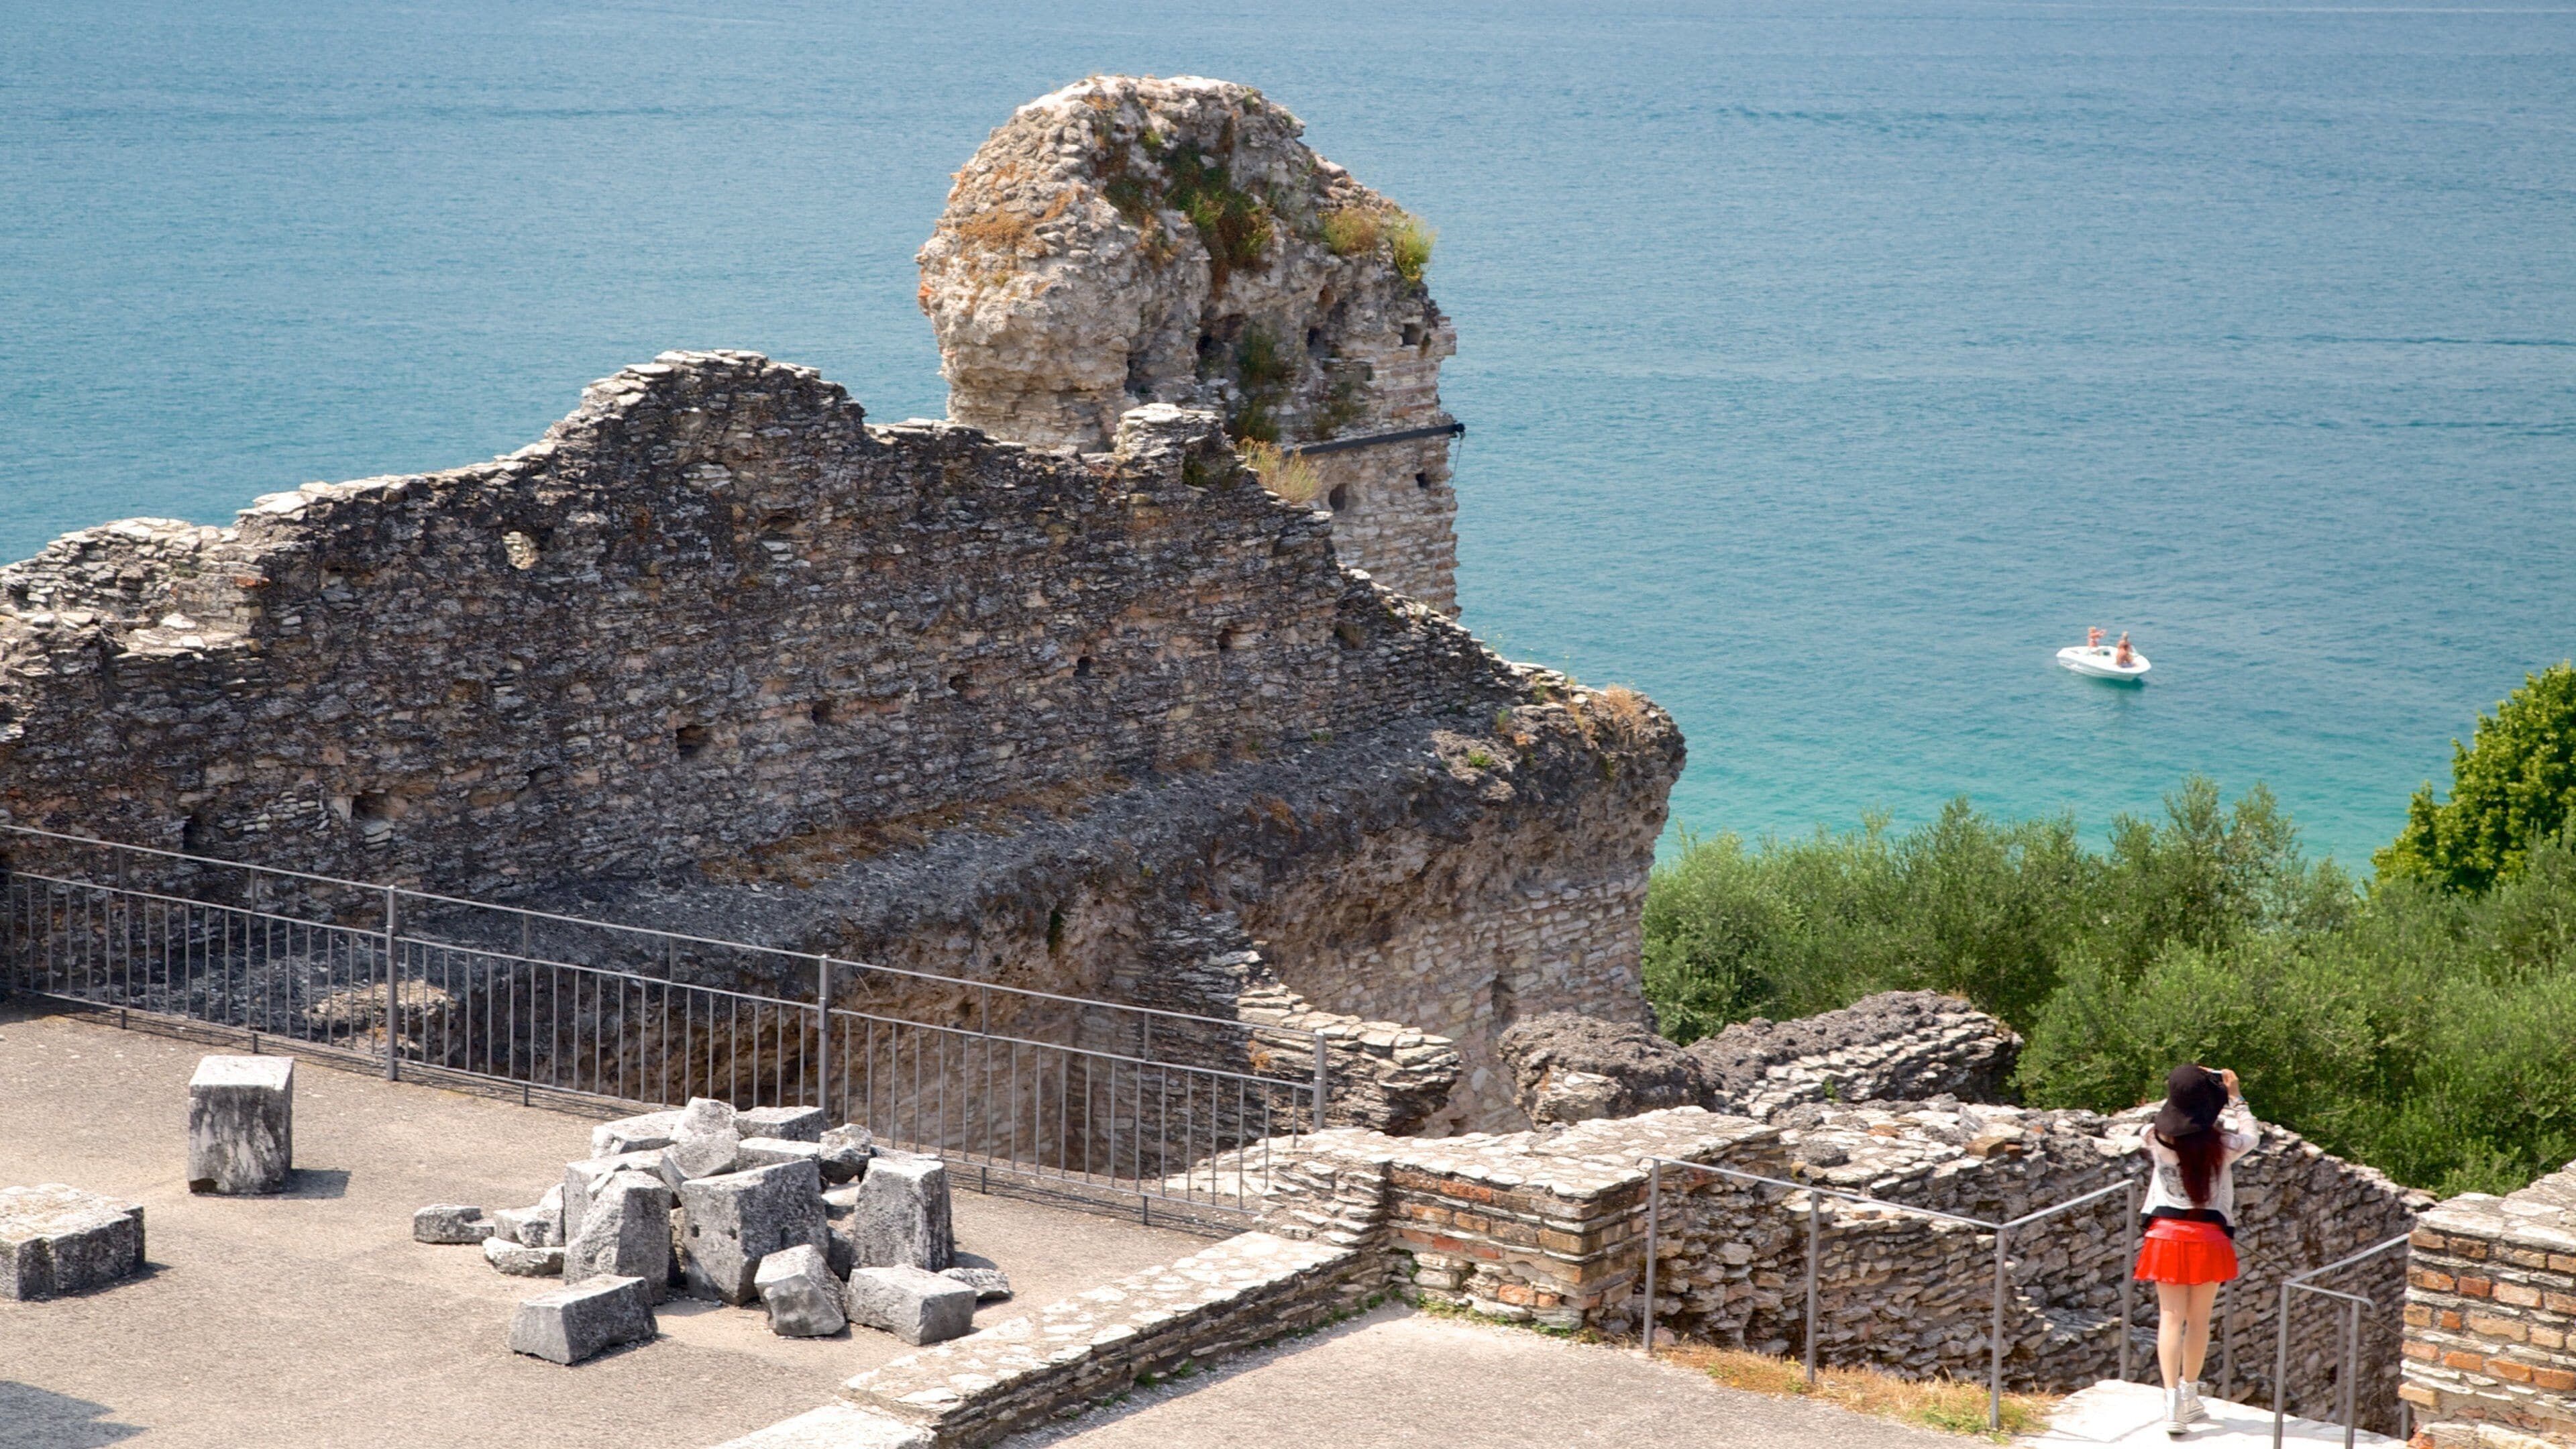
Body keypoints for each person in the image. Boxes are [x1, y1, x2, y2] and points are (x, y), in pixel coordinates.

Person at [2134, 1064, 2259, 1436]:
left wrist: (2187, 1084)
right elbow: (2252, 1134)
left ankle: (2171, 1402)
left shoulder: (2154, 1136)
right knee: (2199, 1319)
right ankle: (2190, 1395)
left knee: (2170, 1317)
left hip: (2165, 1234)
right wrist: (2234, 1097)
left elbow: (2170, 1111)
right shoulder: (2224, 1145)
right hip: (2208, 1237)